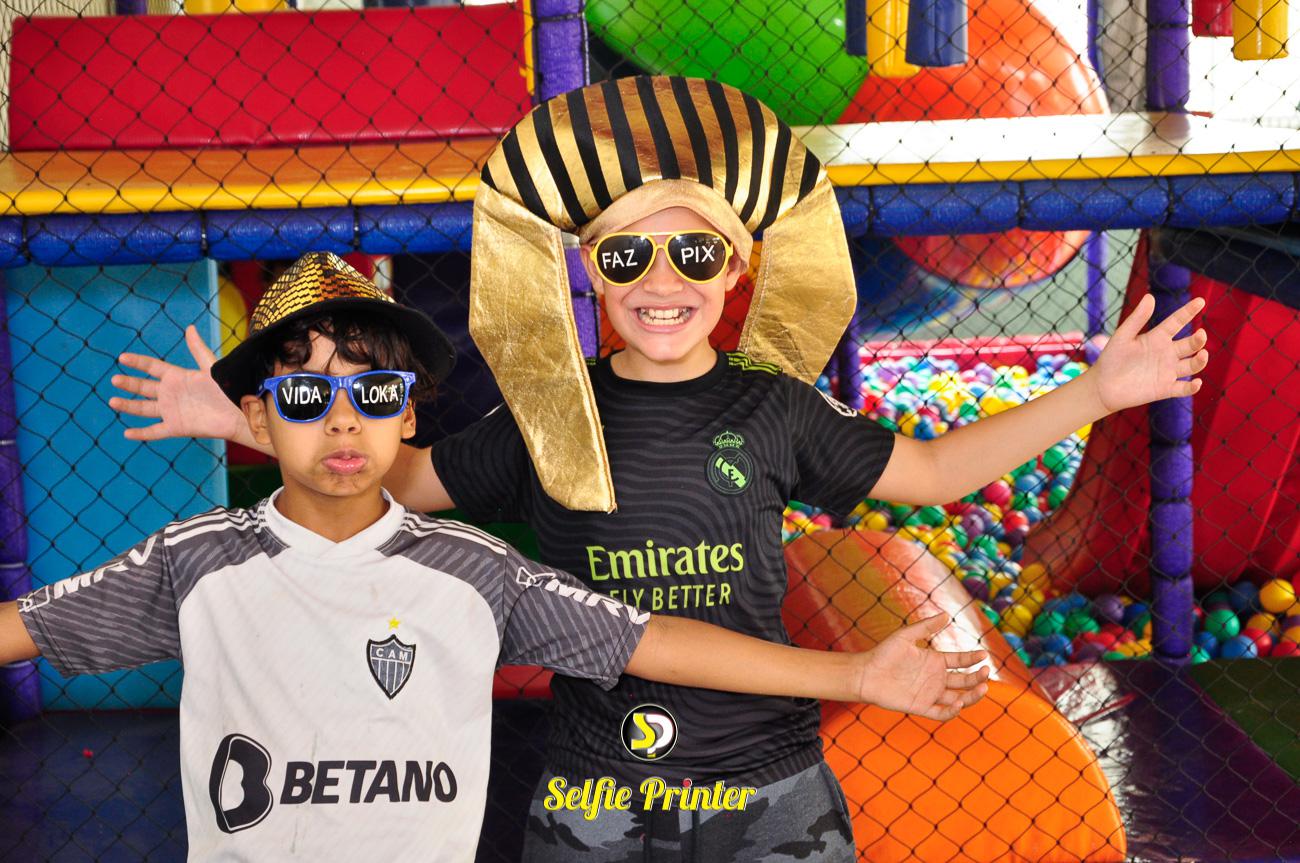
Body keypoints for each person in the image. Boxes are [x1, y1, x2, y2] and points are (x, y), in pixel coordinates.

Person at [107, 78, 1208, 861]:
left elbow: (931, 470)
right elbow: (396, 481)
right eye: (629, 255)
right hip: (600, 787)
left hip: (766, 783)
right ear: (592, 270)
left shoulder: (772, 406)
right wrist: (249, 422)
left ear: (733, 272)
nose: (662, 281)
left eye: (693, 253)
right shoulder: (553, 413)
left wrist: (1097, 391)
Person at [2, 252, 990, 862]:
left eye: (373, 394)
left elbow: (656, 641)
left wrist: (854, 674)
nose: (342, 420)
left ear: (408, 415)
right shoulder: (199, 561)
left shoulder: (473, 571)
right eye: (304, 397)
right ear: (262, 416)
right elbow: (25, 628)